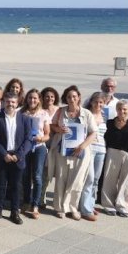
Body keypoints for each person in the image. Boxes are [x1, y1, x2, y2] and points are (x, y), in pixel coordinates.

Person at [49, 85, 97, 220]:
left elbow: (93, 133)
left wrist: (83, 146)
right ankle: (59, 207)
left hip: (80, 151)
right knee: (61, 178)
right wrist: (59, 130)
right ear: (66, 98)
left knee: (77, 180)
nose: (72, 99)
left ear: (79, 98)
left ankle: (72, 207)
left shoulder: (86, 113)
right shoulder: (60, 111)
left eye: (74, 96)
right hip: (63, 149)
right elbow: (52, 126)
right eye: (69, 97)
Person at [0, 92, 34, 225]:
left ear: (18, 103)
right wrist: (4, 154)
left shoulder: (25, 119)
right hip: (1, 157)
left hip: (17, 158)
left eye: (13, 102)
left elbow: (28, 140)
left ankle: (15, 212)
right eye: (8, 101)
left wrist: (18, 155)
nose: (10, 104)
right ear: (4, 102)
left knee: (16, 187)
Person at [102, 99, 128, 217]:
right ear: (116, 110)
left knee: (126, 182)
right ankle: (108, 205)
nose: (122, 111)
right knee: (109, 179)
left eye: (125, 109)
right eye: (120, 109)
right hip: (112, 153)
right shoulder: (109, 123)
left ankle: (122, 205)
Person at [20, 89, 50, 219]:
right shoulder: (20, 112)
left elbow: (48, 134)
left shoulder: (43, 113)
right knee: (25, 176)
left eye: (35, 98)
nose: (32, 100)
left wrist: (41, 138)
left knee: (37, 176)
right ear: (27, 99)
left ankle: (35, 204)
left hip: (38, 147)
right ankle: (26, 201)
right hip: (25, 147)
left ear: (39, 100)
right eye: (30, 98)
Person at [78, 92, 107, 221]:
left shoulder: (105, 116)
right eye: (96, 102)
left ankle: (90, 204)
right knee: (88, 178)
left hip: (101, 150)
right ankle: (85, 209)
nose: (98, 104)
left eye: (101, 102)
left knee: (96, 179)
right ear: (91, 102)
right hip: (89, 149)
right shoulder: (86, 114)